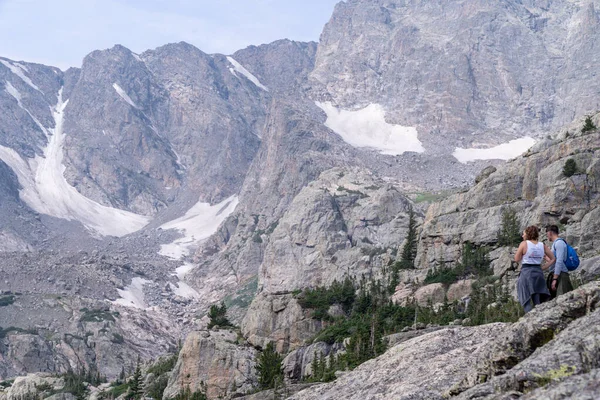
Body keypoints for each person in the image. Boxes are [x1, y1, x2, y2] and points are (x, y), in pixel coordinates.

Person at [515, 226, 554, 312]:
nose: (522, 236)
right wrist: (543, 268)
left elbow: (517, 259)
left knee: (526, 299)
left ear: (528, 234)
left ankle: (530, 319)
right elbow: (553, 259)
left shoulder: (524, 244)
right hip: (538, 273)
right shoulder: (542, 245)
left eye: (524, 233)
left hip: (526, 273)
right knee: (538, 299)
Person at [545, 225, 574, 298]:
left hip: (561, 275)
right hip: (558, 274)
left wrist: (555, 278)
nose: (547, 236)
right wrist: (545, 257)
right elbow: (555, 260)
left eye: (547, 234)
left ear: (550, 233)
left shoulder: (559, 243)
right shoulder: (555, 244)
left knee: (563, 298)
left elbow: (559, 261)